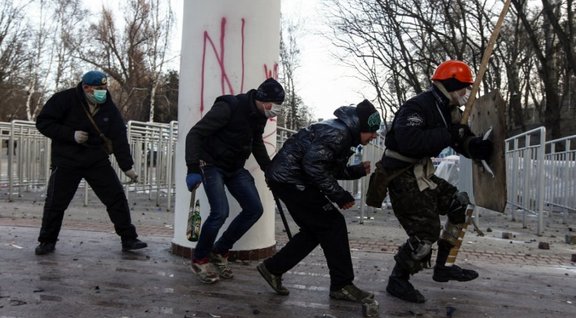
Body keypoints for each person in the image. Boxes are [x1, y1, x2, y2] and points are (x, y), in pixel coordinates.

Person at [378, 60, 493, 303]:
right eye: (464, 87)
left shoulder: (449, 109)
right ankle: (398, 280)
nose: (466, 93)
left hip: (421, 173)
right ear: (451, 84)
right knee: (425, 233)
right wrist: (450, 134)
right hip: (401, 175)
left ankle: (443, 267)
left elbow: (461, 138)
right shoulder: (418, 107)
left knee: (458, 204)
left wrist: (475, 147)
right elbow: (410, 141)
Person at [257, 100, 381, 303]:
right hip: (291, 181)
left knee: (316, 230)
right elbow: (314, 167)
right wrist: (339, 196)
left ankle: (273, 268)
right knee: (333, 224)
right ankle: (342, 285)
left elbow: (326, 166)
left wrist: (356, 171)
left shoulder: (342, 132)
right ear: (361, 127)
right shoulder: (338, 134)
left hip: (289, 179)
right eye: (372, 131)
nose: (374, 135)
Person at [34, 71, 147, 255]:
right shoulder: (64, 99)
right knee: (56, 202)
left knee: (116, 197)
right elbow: (43, 123)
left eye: (104, 88)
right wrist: (70, 135)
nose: (102, 92)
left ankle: (129, 239)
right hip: (67, 160)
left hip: (96, 160)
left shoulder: (108, 106)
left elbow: (119, 137)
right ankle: (47, 241)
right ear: (86, 87)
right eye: (98, 89)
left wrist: (127, 168)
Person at [185, 78, 285, 283]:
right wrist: (192, 168)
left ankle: (219, 251)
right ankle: (200, 258)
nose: (276, 110)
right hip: (211, 164)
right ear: (263, 99)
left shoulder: (260, 115)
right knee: (220, 212)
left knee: (254, 209)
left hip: (234, 168)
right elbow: (195, 133)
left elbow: (256, 142)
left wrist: (269, 170)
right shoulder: (229, 107)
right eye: (275, 104)